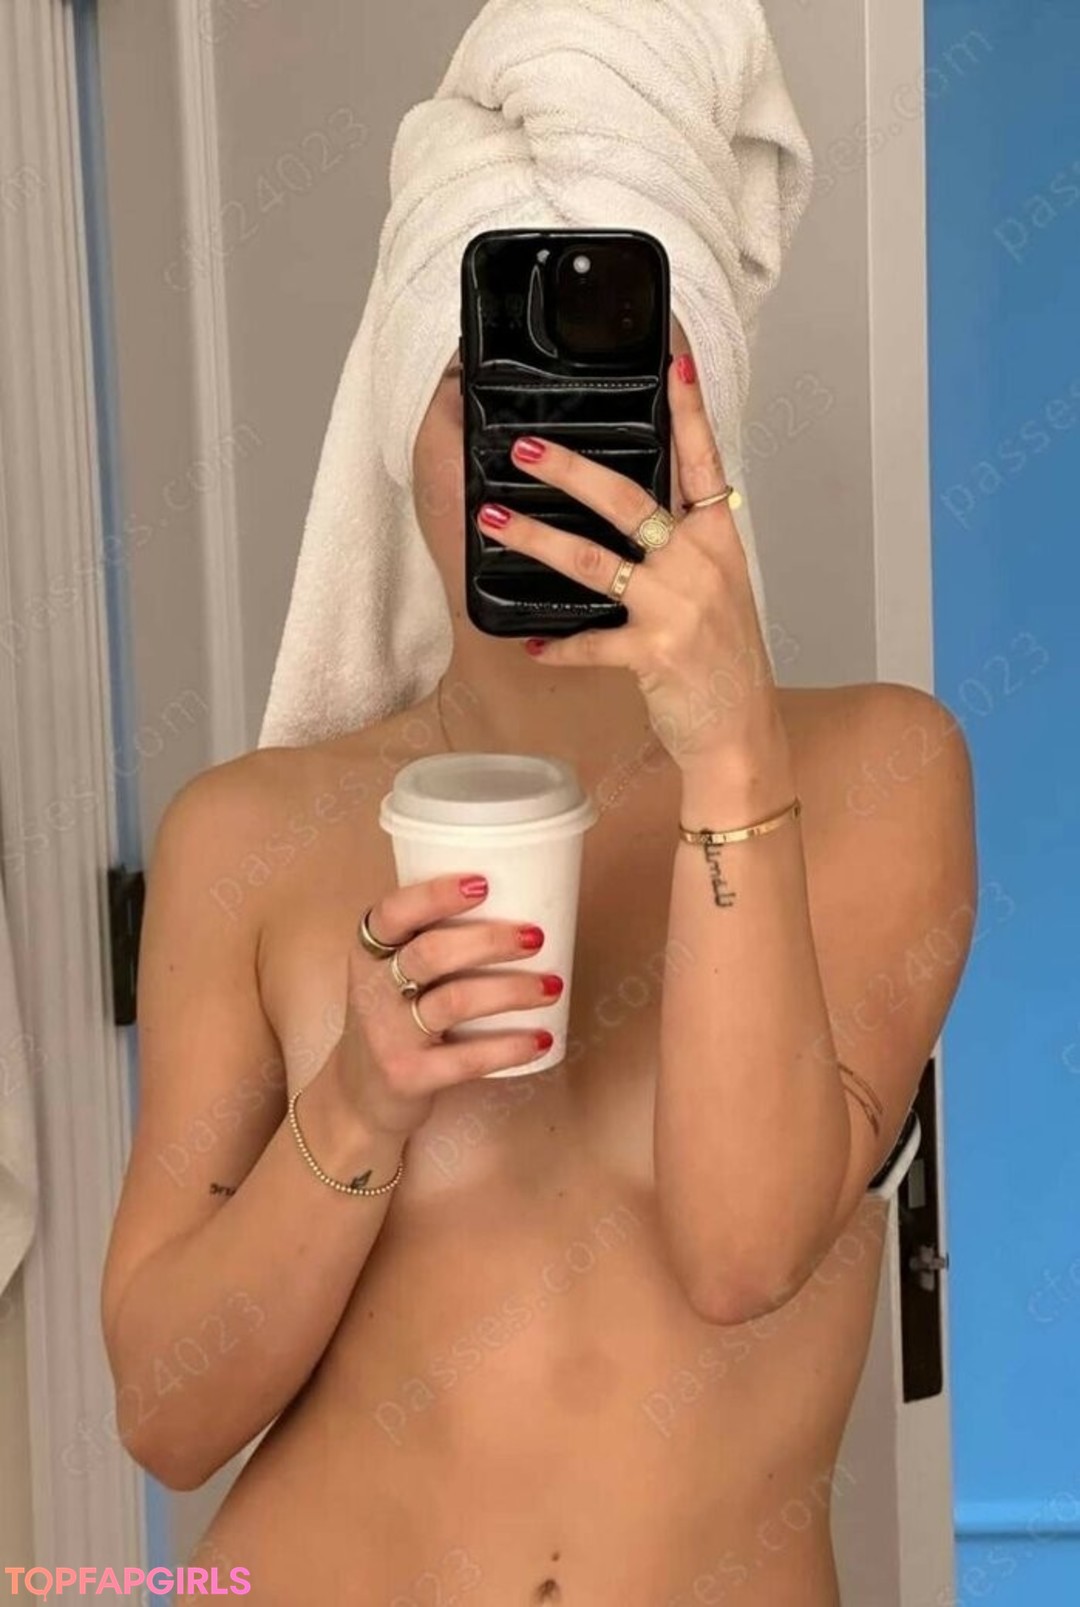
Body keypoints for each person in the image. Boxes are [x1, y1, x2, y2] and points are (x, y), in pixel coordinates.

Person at [100, 313, 977, 1605]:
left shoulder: (878, 772)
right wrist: (356, 1106)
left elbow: (742, 1255)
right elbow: (166, 1419)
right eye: (487, 385)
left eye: (605, 383)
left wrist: (731, 755)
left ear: (698, 418)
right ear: (398, 422)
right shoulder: (244, 834)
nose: (547, 442)